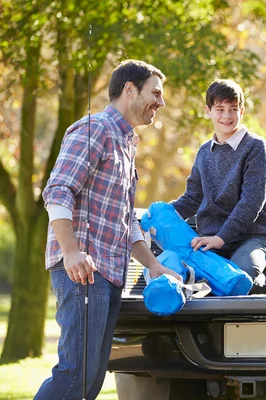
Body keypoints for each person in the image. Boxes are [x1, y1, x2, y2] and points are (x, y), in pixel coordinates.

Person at [36, 60, 181, 400]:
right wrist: (71, 251)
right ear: (130, 90)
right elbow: (58, 191)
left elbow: (125, 219)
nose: (160, 103)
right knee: (75, 375)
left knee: (90, 379)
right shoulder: (95, 129)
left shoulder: (126, 142)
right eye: (155, 93)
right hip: (83, 271)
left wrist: (153, 265)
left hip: (111, 274)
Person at [170, 79, 266, 294]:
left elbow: (251, 202)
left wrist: (221, 238)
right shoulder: (204, 152)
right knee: (189, 275)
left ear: (242, 110)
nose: (227, 116)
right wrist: (165, 212)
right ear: (208, 111)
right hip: (211, 238)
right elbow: (192, 198)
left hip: (252, 235)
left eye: (233, 109)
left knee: (236, 277)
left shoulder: (256, 148)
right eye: (220, 109)